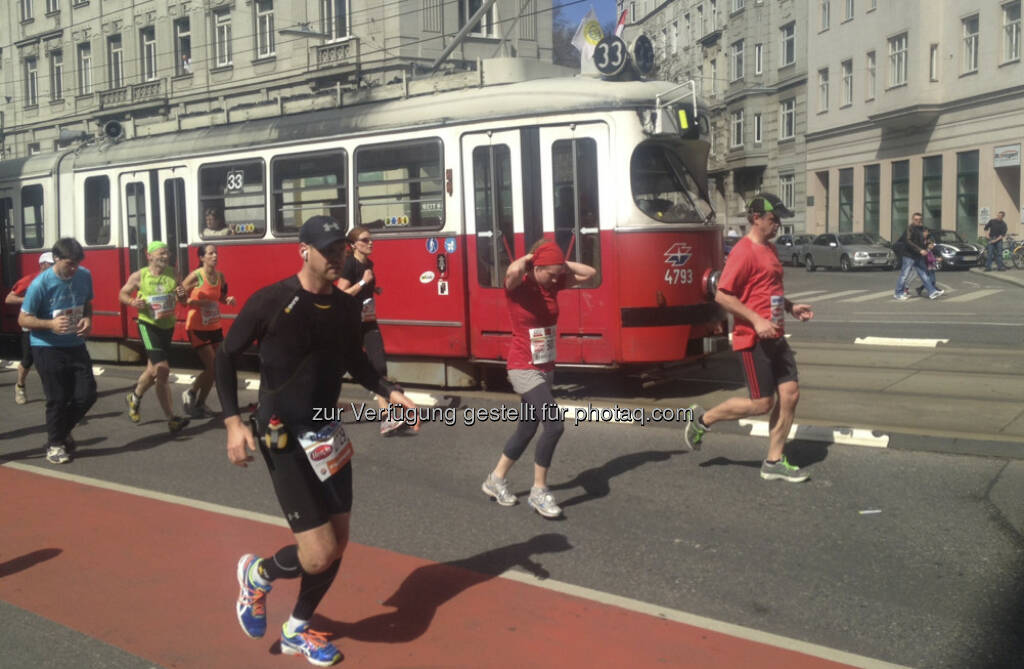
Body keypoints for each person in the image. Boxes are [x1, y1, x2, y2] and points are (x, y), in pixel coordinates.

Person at [217, 215, 417, 666]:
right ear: (303, 251)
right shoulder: (271, 302)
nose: (337, 257)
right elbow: (226, 359)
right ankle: (256, 575)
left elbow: (357, 363)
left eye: (341, 249)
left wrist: (388, 390)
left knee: (338, 544)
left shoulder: (346, 308)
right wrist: (232, 423)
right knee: (319, 550)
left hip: (327, 431)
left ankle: (296, 630)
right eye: (328, 250)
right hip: (280, 434)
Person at [682, 193, 814, 482]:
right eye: (773, 218)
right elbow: (721, 294)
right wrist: (755, 320)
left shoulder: (769, 249)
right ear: (756, 218)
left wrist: (791, 307)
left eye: (779, 219)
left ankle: (774, 461)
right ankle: (703, 419)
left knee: (790, 394)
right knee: (761, 404)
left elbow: (767, 289)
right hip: (752, 339)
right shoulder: (743, 251)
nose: (778, 224)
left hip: (776, 335)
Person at [480, 240, 596, 518]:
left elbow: (590, 273)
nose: (557, 278)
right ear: (536, 266)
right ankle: (539, 491)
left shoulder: (552, 283)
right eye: (551, 272)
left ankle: (495, 479)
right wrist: (532, 256)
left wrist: (559, 264)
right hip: (523, 366)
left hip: (545, 366)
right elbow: (512, 271)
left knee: (527, 428)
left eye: (559, 274)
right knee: (554, 425)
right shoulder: (518, 286)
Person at [18, 239, 97, 465]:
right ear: (56, 259)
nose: (74, 269)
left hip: (75, 344)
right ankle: (54, 445)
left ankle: (60, 432)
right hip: (46, 347)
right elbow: (23, 318)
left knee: (87, 394)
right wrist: (50, 325)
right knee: (57, 398)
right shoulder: (40, 284)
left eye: (77, 264)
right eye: (69, 264)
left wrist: (88, 320)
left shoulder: (84, 275)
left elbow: (88, 304)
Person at [335, 226, 405, 436]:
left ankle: (386, 417)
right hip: (349, 323)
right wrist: (364, 281)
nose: (370, 243)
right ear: (354, 244)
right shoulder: (349, 265)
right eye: (365, 240)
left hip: (368, 321)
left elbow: (363, 288)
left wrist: (373, 288)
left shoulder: (369, 263)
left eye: (371, 240)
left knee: (379, 364)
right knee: (337, 369)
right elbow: (341, 294)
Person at [119, 241, 189, 433]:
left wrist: (181, 294)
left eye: (167, 254)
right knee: (162, 370)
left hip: (167, 326)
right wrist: (134, 301)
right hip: (148, 325)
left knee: (152, 370)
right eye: (161, 254)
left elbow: (181, 292)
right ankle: (172, 418)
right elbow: (122, 294)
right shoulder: (140, 276)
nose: (165, 257)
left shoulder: (173, 273)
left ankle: (134, 396)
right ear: (149, 256)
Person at [180, 244, 236, 418]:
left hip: (214, 326)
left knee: (217, 367)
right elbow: (180, 297)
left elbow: (221, 297)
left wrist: (228, 300)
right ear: (202, 258)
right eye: (210, 253)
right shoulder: (195, 276)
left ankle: (199, 403)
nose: (214, 256)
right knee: (212, 366)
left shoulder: (220, 276)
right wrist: (194, 302)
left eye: (215, 253)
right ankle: (191, 391)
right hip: (196, 327)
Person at [6, 251, 55, 404]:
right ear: (43, 265)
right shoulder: (30, 280)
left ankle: (53, 394)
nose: (55, 267)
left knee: (50, 360)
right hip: (30, 326)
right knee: (28, 360)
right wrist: (28, 299)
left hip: (48, 325)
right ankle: (20, 386)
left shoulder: (58, 280)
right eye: (52, 264)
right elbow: (9, 298)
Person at [893, 213, 942, 300]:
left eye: (919, 219)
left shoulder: (921, 228)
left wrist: (928, 244)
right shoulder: (910, 228)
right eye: (916, 219)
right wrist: (920, 250)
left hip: (917, 255)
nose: (918, 221)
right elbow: (908, 241)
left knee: (923, 273)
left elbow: (925, 238)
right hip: (909, 255)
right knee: (904, 274)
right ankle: (898, 293)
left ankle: (931, 292)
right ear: (912, 219)